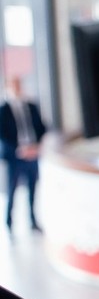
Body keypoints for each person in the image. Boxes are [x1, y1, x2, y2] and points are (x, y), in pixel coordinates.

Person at [0, 77, 47, 234]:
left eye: (19, 84)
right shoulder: (4, 110)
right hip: (15, 156)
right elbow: (3, 134)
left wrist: (36, 146)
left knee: (33, 188)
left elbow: (41, 127)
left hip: (33, 154)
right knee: (12, 190)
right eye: (14, 84)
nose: (17, 88)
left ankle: (33, 220)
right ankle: (9, 222)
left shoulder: (31, 106)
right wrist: (19, 149)